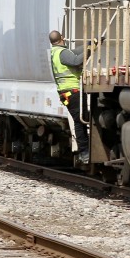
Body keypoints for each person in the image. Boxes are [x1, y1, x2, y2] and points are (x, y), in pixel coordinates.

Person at [49, 30, 89, 163]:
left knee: (81, 119)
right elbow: (77, 60)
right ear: (62, 38)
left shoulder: (56, 51)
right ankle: (84, 152)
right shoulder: (62, 53)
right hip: (72, 91)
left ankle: (85, 150)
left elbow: (75, 52)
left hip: (66, 92)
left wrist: (89, 44)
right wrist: (91, 49)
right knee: (79, 121)